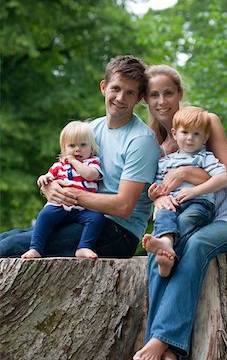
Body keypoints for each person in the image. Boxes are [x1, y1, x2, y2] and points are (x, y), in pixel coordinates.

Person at [133, 64, 227, 360]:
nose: (162, 101)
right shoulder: (155, 144)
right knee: (163, 249)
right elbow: (154, 189)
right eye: (154, 95)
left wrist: (183, 173)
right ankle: (172, 356)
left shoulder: (205, 122)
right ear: (145, 100)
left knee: (194, 246)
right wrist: (159, 196)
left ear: (180, 94)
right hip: (190, 219)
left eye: (169, 93)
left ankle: (160, 338)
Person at [0, 55, 161, 258]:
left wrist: (71, 194)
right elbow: (65, 167)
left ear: (138, 98)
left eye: (130, 93)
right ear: (104, 87)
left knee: (9, 248)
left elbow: (123, 207)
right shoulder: (91, 129)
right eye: (116, 88)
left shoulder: (141, 140)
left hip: (118, 232)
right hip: (78, 216)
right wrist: (49, 187)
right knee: (6, 238)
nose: (121, 98)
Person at [142, 106, 227, 277]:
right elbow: (159, 187)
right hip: (173, 203)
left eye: (196, 134)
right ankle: (165, 244)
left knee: (186, 220)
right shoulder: (165, 162)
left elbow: (224, 178)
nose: (190, 138)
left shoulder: (204, 157)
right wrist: (155, 196)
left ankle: (170, 258)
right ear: (175, 133)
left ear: (205, 138)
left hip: (199, 203)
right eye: (185, 132)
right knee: (162, 215)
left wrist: (195, 191)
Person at [22, 120, 105, 260]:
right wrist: (43, 179)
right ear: (64, 149)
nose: (77, 149)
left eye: (83, 145)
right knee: (44, 215)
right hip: (60, 206)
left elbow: (90, 175)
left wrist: (74, 161)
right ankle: (36, 248)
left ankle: (84, 247)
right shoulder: (59, 165)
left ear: (91, 148)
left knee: (97, 218)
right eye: (72, 146)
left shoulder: (92, 162)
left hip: (84, 208)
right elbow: (49, 176)